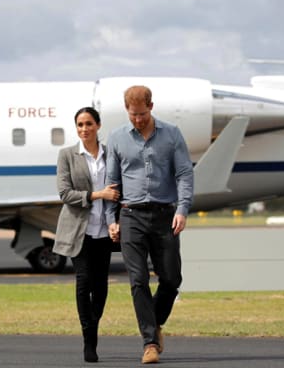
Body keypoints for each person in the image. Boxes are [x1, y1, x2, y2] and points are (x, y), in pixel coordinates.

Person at [105, 85, 194, 364]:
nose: (138, 120)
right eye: (133, 115)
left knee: (171, 279)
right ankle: (150, 343)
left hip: (165, 215)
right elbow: (112, 183)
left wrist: (182, 208)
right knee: (138, 280)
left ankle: (154, 323)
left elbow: (184, 173)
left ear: (151, 107)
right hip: (130, 216)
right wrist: (111, 219)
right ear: (127, 111)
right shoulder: (117, 138)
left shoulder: (171, 134)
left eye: (142, 114)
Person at [53, 107, 120, 363]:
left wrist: (115, 220)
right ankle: (89, 340)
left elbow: (118, 190)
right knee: (83, 282)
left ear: (98, 125)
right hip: (77, 231)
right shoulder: (67, 155)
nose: (84, 129)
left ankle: (93, 325)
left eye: (89, 124)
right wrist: (96, 195)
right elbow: (65, 194)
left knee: (101, 286)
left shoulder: (111, 154)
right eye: (80, 125)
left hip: (104, 230)